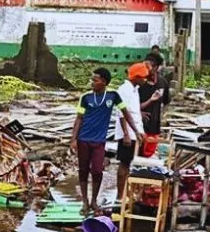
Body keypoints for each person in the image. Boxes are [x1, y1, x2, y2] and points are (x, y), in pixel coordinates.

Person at [71, 68, 140, 215]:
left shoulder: (113, 96)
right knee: (83, 170)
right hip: (83, 139)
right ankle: (85, 201)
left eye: (95, 80)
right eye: (92, 80)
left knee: (97, 170)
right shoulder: (86, 98)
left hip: (99, 141)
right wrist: (73, 140)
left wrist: (135, 131)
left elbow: (125, 114)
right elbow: (79, 119)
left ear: (104, 82)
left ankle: (94, 200)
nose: (92, 83)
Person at [114, 62, 148, 202]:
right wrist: (126, 134)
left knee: (129, 164)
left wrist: (140, 131)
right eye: (143, 77)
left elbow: (135, 113)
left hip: (135, 132)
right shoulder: (124, 90)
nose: (145, 80)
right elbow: (121, 113)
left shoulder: (135, 89)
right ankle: (119, 196)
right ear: (136, 77)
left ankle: (125, 194)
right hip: (126, 133)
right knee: (124, 163)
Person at [138, 52, 170, 157]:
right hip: (138, 125)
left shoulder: (162, 83)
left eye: (148, 67)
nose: (145, 69)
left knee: (148, 155)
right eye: (144, 66)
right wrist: (138, 113)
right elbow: (129, 105)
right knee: (136, 154)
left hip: (154, 125)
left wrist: (162, 116)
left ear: (156, 67)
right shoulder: (139, 82)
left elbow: (166, 102)